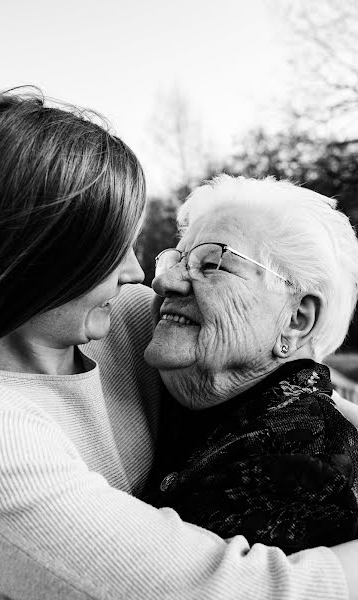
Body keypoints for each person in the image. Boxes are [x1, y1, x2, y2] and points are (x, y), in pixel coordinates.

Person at [0, 90, 358, 600]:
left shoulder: (120, 321)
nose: (141, 275)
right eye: (112, 248)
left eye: (211, 262)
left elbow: (289, 386)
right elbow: (227, 590)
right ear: (37, 255)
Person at [143, 174, 358, 554]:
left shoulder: (303, 466)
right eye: (175, 259)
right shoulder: (190, 403)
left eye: (211, 264)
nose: (165, 283)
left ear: (296, 319)